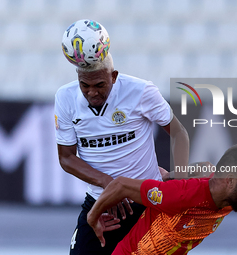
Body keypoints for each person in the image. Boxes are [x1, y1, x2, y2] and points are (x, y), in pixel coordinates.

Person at [54, 19, 189, 254]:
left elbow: (179, 132)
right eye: (84, 85)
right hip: (102, 205)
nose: (92, 92)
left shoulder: (141, 91)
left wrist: (181, 180)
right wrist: (111, 186)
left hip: (148, 201)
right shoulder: (65, 98)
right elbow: (66, 158)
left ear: (114, 76)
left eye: (99, 84)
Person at [87, 143, 237, 254]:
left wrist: (171, 175)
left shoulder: (231, 195)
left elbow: (206, 167)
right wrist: (92, 217)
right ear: (230, 181)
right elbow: (121, 185)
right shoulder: (179, 195)